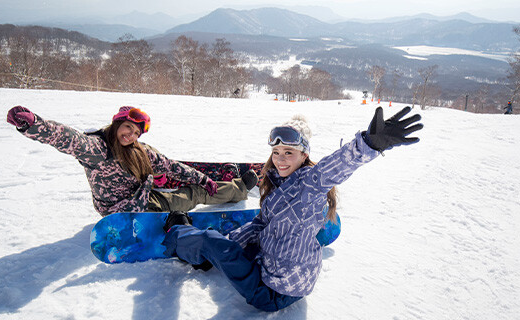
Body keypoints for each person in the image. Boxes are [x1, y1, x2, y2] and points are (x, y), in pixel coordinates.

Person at [160, 106, 423, 311]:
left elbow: (334, 168)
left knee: (209, 240)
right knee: (240, 240)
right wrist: (228, 245)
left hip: (271, 292)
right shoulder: (277, 187)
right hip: (286, 280)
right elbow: (260, 225)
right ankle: (204, 258)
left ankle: (176, 233)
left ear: (304, 155)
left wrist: (368, 144)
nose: (280, 159)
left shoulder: (310, 183)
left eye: (289, 153)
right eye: (276, 152)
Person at [6, 105, 259, 217]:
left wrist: (204, 178)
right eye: (128, 128)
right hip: (123, 211)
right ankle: (238, 190)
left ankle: (233, 189)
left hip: (141, 199)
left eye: (137, 133)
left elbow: (171, 166)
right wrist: (33, 125)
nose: (131, 135)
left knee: (193, 185)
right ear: (117, 123)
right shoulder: (97, 149)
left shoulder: (140, 151)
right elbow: (67, 138)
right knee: (191, 195)